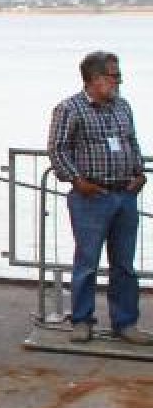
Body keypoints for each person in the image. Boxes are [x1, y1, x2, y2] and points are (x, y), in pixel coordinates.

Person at [47, 51, 149, 344]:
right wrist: (78, 182)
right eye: (114, 76)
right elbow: (58, 149)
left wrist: (139, 173)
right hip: (91, 197)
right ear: (94, 79)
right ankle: (81, 321)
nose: (119, 81)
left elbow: (132, 141)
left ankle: (126, 323)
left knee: (125, 265)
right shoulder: (70, 109)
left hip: (125, 194)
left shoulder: (123, 106)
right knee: (87, 262)